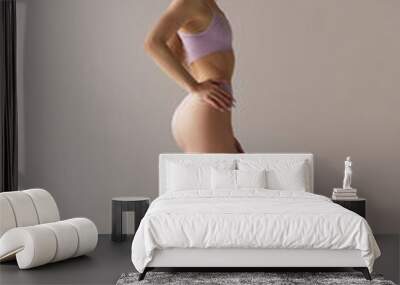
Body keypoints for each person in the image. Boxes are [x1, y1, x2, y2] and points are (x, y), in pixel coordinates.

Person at [144, 0, 244, 153]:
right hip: (205, 110)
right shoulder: (188, 2)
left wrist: (221, 130)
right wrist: (194, 87)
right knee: (231, 175)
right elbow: (152, 43)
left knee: (237, 173)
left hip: (209, 113)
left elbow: (176, 53)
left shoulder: (208, 3)